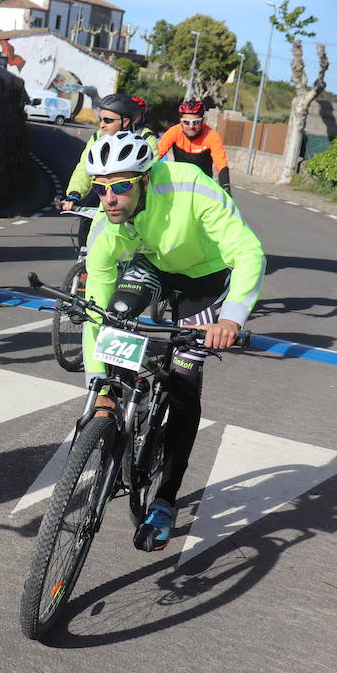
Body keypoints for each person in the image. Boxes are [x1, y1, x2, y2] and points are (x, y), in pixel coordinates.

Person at [80, 131, 265, 552]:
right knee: (114, 318)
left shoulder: (190, 186)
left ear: (145, 179)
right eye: (101, 187)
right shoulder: (107, 225)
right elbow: (96, 309)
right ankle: (118, 415)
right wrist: (99, 385)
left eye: (121, 185)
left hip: (207, 277)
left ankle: (164, 500)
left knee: (182, 383)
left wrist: (231, 319)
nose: (109, 198)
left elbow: (248, 251)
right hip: (155, 266)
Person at [58, 93, 160, 245]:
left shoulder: (145, 137)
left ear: (125, 121)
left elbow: (153, 170)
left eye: (108, 120)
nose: (102, 124)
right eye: (100, 119)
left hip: (133, 195)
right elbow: (84, 168)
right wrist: (74, 194)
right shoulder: (97, 137)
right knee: (86, 224)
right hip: (105, 190)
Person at [158, 100, 232, 195]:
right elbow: (157, 154)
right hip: (180, 184)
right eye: (186, 122)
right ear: (180, 121)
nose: (191, 126)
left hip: (203, 185)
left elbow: (221, 163)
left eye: (196, 122)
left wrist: (226, 188)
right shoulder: (174, 132)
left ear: (203, 120)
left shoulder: (212, 135)